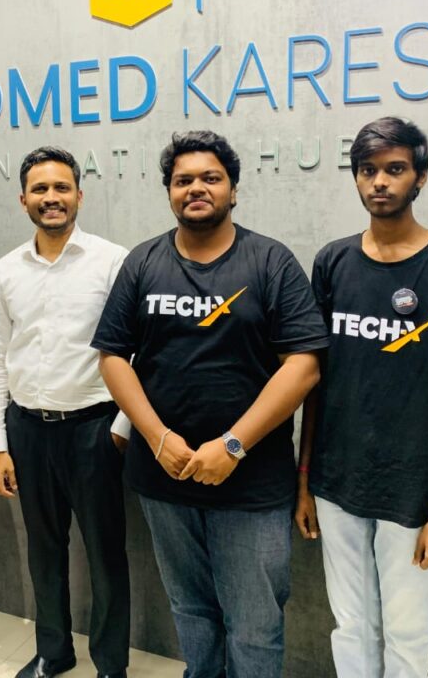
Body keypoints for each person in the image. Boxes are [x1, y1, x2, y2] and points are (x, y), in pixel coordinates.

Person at [92, 131, 328, 678]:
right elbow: (113, 357)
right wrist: (158, 438)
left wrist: (233, 444)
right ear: (169, 192)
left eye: (210, 178)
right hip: (165, 477)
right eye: (183, 180)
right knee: (192, 611)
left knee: (254, 624)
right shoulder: (143, 262)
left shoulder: (270, 261)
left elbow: (304, 365)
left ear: (233, 190)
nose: (196, 188)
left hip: (251, 483)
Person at [295, 117, 428, 678]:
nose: (380, 182)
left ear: (421, 177)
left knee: (409, 634)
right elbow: (315, 381)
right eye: (368, 170)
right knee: (351, 625)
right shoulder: (333, 262)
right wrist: (305, 479)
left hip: (416, 487)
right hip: (337, 481)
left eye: (395, 169)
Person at [0, 146, 131, 678]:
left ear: (79, 196)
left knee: (106, 555)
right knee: (43, 551)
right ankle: (54, 651)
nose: (51, 197)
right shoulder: (7, 269)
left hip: (95, 429)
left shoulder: (112, 261)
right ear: (23, 200)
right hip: (27, 431)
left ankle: (110, 664)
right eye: (40, 189)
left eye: (61, 187)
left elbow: (137, 350)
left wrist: (121, 429)